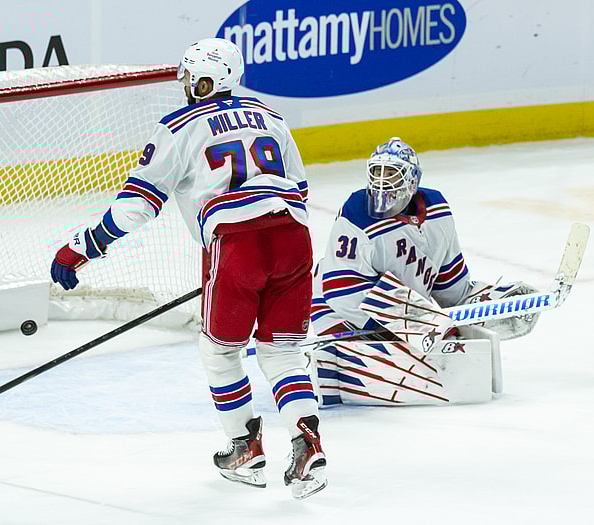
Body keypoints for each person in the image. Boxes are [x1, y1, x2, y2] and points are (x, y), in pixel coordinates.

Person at [50, 38, 326, 500]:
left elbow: (137, 207)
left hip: (236, 245)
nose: (183, 84)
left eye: (189, 76)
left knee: (220, 352)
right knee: (282, 352)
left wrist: (83, 246)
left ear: (208, 80)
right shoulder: (271, 117)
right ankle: (308, 444)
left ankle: (246, 448)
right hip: (295, 237)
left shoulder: (178, 126)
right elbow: (298, 188)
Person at [310, 137, 539, 405]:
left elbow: (450, 284)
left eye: (391, 174)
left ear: (412, 181)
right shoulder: (357, 211)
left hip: (408, 317)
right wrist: (406, 326)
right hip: (339, 310)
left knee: (451, 347)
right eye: (377, 172)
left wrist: (478, 304)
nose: (382, 182)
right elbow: (342, 291)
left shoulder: (437, 210)